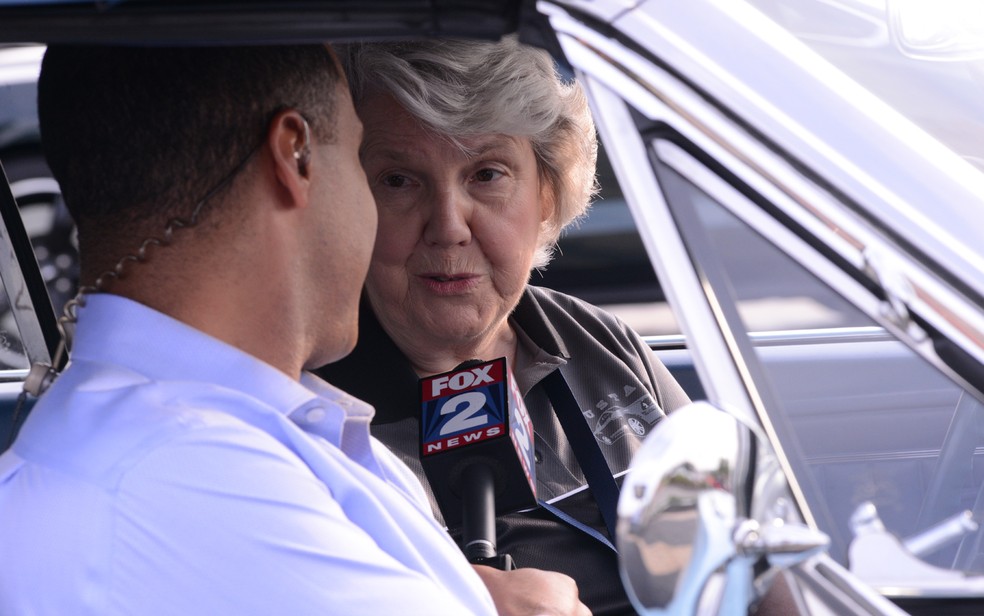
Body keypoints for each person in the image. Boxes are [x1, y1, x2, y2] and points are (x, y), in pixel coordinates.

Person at [0, 44, 589, 616]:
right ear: (295, 156)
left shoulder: (164, 435)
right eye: (376, 171)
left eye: (486, 174)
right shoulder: (207, 481)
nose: (445, 227)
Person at [315, 38, 692, 615]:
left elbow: (746, 549)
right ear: (347, 203)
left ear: (545, 193)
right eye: (398, 180)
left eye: (486, 174)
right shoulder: (315, 404)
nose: (448, 227)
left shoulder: (598, 342)